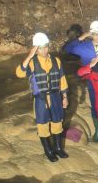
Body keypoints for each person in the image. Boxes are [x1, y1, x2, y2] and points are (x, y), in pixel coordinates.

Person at [15, 33, 69, 162]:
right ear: (35, 49)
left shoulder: (56, 61)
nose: (44, 50)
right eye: (40, 48)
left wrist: (65, 96)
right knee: (43, 125)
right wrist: (29, 56)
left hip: (56, 96)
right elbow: (19, 73)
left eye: (45, 47)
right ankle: (48, 150)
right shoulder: (32, 63)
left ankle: (58, 148)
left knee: (57, 122)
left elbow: (62, 79)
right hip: (40, 98)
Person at [63, 20, 98, 142]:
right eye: (95, 33)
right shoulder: (83, 47)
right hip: (93, 81)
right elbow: (67, 48)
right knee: (95, 105)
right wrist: (83, 36)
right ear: (91, 33)